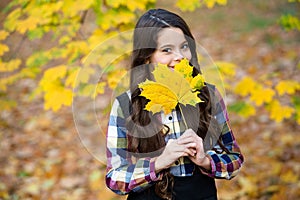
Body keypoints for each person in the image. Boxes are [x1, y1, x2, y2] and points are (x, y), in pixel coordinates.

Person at [105, 8, 244, 200]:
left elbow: (234, 160)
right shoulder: (126, 105)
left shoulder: (207, 96)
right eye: (167, 50)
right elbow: (116, 179)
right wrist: (159, 162)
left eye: (184, 46)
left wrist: (205, 161)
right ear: (147, 57)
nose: (179, 56)